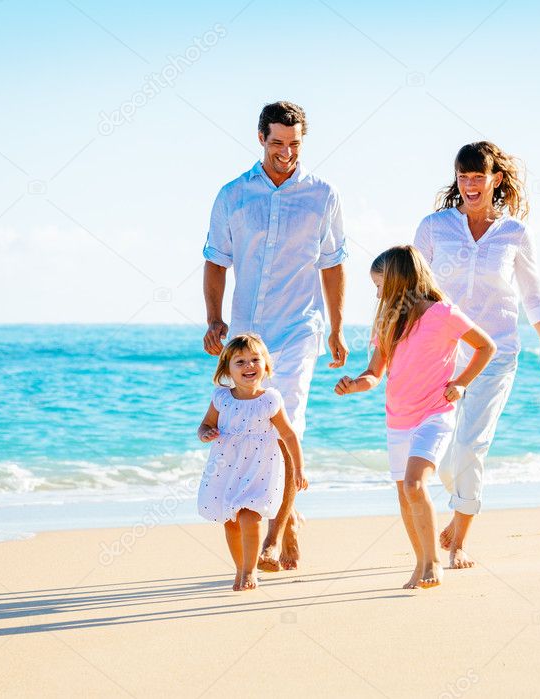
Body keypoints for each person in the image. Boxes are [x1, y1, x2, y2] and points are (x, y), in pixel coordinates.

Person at [202, 100, 348, 571]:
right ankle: (286, 518)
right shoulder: (233, 194)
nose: (287, 153)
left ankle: (274, 535)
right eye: (277, 143)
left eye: (295, 144)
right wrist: (214, 318)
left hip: (299, 328)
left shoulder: (323, 195)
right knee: (249, 433)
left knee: (287, 428)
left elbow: (333, 264)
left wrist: (337, 330)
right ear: (260, 138)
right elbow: (215, 258)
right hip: (247, 335)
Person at [414, 141, 540, 569]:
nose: (470, 186)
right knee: (441, 456)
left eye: (478, 177)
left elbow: (533, 291)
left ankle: (459, 538)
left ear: (495, 179)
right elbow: (411, 289)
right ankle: (458, 500)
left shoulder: (514, 232)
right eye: (463, 178)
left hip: (496, 352)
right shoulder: (434, 227)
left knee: (471, 445)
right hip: (442, 353)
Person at [334, 246, 495, 589]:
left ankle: (433, 562)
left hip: (434, 415)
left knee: (414, 485)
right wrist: (354, 386)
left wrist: (461, 383)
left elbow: (486, 346)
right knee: (404, 495)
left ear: (397, 282)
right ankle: (420, 562)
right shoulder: (389, 321)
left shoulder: (443, 313)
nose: (377, 293)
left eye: (380, 285)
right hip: (397, 420)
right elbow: (374, 374)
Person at [197, 334, 306, 591]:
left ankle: (250, 571)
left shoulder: (270, 399)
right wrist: (205, 434)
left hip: (260, 470)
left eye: (255, 360)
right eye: (240, 361)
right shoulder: (222, 398)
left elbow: (289, 435)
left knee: (249, 517)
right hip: (227, 469)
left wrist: (299, 468)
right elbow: (205, 425)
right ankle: (239, 568)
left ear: (266, 365)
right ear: (227, 369)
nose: (249, 366)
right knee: (231, 523)